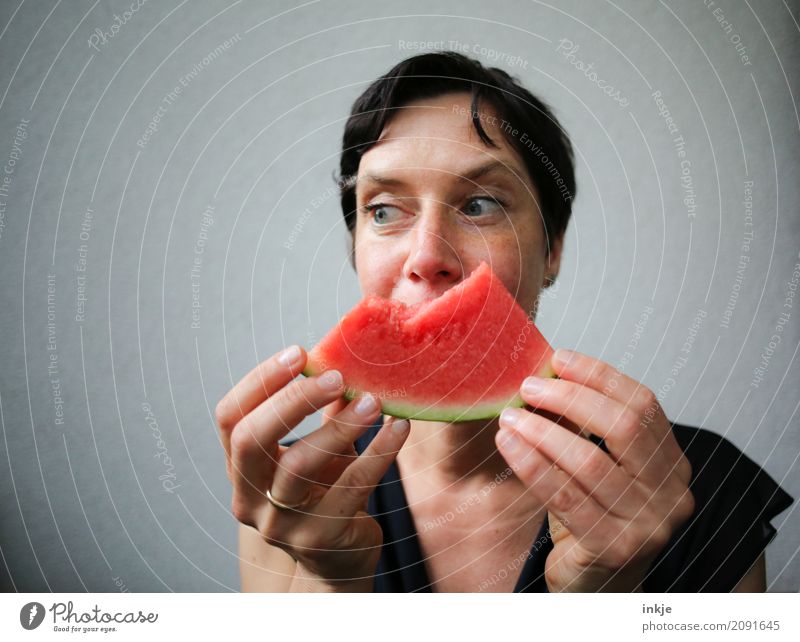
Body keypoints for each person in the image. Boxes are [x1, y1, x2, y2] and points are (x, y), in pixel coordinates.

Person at [215, 52, 793, 592]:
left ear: (552, 251)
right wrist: (331, 586)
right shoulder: (291, 495)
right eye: (384, 210)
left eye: (479, 204)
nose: (424, 256)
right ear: (356, 250)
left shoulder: (702, 488)